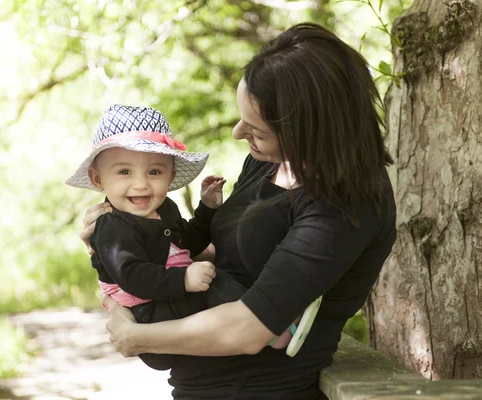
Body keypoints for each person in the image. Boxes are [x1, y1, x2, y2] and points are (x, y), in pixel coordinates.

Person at [81, 22, 397, 399]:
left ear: (309, 129)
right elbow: (211, 254)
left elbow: (249, 329)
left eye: (257, 130)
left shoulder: (345, 205)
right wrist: (120, 240)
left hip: (257, 390)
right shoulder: (266, 163)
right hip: (196, 385)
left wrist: (136, 336)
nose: (236, 133)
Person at [66, 105, 295, 371]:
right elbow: (134, 276)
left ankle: (263, 318)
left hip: (169, 300)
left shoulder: (164, 210)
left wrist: (207, 209)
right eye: (124, 172)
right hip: (149, 312)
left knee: (214, 278)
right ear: (98, 179)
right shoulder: (111, 226)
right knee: (215, 282)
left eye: (154, 172)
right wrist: (183, 279)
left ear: (171, 176)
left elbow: (188, 243)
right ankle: (275, 330)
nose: (140, 184)